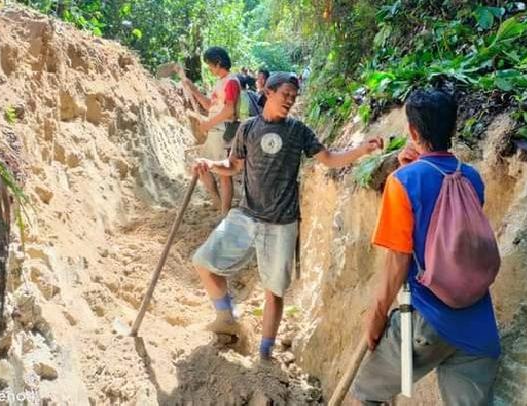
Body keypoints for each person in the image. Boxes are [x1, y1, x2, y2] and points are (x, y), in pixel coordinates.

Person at [191, 73, 382, 360]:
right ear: (268, 92)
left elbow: (328, 159)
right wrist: (210, 164)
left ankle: (265, 353)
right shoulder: (247, 129)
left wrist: (362, 149)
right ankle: (226, 318)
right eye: (285, 94)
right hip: (247, 214)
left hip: (282, 222)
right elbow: (232, 166)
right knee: (203, 262)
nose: (290, 101)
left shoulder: (298, 131)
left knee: (274, 290)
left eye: (294, 97)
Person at [351, 89, 500, 405]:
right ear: (452, 128)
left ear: (413, 131)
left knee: (369, 393)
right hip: (479, 328)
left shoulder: (402, 182)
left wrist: (376, 319)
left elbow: (397, 262)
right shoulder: (472, 178)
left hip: (425, 324)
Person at [182, 47, 240, 215]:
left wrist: (208, 124)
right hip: (215, 131)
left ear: (219, 62)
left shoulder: (231, 82)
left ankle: (224, 211)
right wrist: (193, 90)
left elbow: (229, 111)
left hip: (223, 131)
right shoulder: (220, 82)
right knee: (203, 167)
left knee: (223, 173)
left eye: (209, 65)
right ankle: (218, 202)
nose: (209, 68)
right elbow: (210, 106)